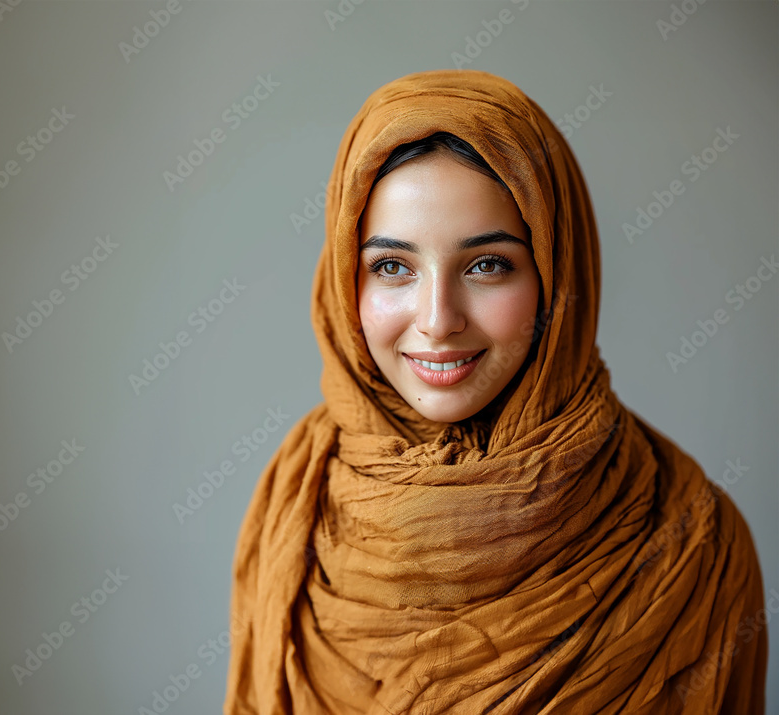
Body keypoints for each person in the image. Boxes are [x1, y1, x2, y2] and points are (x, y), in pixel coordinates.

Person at [224, 69, 768, 714]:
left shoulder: (692, 544)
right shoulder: (293, 503)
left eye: (487, 265)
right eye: (392, 266)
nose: (437, 318)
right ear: (346, 281)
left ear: (556, 274)